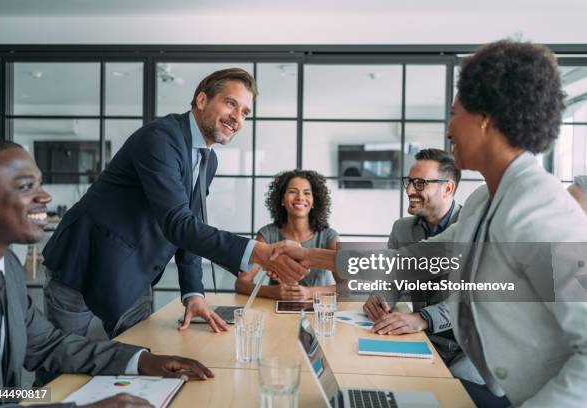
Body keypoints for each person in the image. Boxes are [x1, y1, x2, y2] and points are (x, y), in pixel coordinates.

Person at [271, 40, 587, 407]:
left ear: (486, 118)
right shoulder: (485, 201)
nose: (449, 130)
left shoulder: (542, 211)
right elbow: (413, 259)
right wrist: (309, 257)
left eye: (456, 114)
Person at [41, 68, 308, 346]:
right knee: (61, 364)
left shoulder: (209, 160)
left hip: (134, 271)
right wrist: (259, 252)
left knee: (139, 359)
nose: (237, 118)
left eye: (245, 112)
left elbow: (191, 224)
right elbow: (177, 222)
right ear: (202, 100)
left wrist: (193, 292)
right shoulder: (160, 138)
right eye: (231, 103)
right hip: (83, 263)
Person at [0, 138, 214, 407]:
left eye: (39, 183)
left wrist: (141, 360)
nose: (45, 196)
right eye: (26, 186)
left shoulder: (6, 267)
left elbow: (47, 345)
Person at [363, 148, 482, 384]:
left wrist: (425, 317)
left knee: (453, 391)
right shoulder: (402, 228)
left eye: (419, 184)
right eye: (408, 182)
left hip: (467, 347)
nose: (409, 191)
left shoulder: (473, 228)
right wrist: (382, 298)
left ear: (448, 188)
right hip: (419, 340)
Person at [235, 170, 338, 300]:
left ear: (314, 202)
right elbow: (241, 283)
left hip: (319, 310)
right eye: (292, 191)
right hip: (276, 311)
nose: (300, 197)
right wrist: (272, 292)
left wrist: (310, 292)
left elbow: (348, 286)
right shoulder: (267, 235)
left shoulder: (329, 236)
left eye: (307, 193)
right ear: (282, 200)